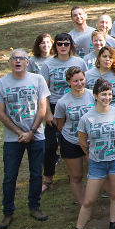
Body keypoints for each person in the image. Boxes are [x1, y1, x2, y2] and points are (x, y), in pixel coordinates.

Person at [63, 79, 115, 229]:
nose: (107, 97)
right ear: (95, 95)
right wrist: (92, 154)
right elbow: (82, 141)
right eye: (103, 94)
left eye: (109, 94)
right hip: (97, 164)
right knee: (89, 200)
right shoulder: (87, 118)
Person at [0, 49, 51, 229]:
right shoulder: (1, 83)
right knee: (10, 176)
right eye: (14, 58)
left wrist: (32, 131)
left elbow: (43, 108)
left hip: (37, 135)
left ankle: (35, 207)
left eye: (22, 58)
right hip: (13, 138)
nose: (18, 61)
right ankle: (7, 212)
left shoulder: (38, 79)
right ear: (10, 62)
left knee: (36, 174)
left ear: (28, 62)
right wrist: (20, 132)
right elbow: (0, 112)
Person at [43, 34, 88, 192]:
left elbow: (85, 83)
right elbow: (44, 92)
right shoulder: (48, 64)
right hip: (55, 105)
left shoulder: (79, 61)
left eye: (66, 44)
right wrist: (48, 112)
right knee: (49, 145)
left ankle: (77, 174)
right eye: (60, 44)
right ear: (55, 46)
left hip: (79, 105)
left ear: (71, 45)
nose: (63, 46)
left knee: (80, 139)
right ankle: (48, 179)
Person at [53, 67, 94, 205]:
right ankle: (83, 204)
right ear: (68, 82)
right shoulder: (62, 102)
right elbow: (60, 124)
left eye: (81, 80)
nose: (79, 83)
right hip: (71, 141)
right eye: (75, 81)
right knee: (76, 176)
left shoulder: (92, 95)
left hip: (91, 141)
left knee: (96, 172)